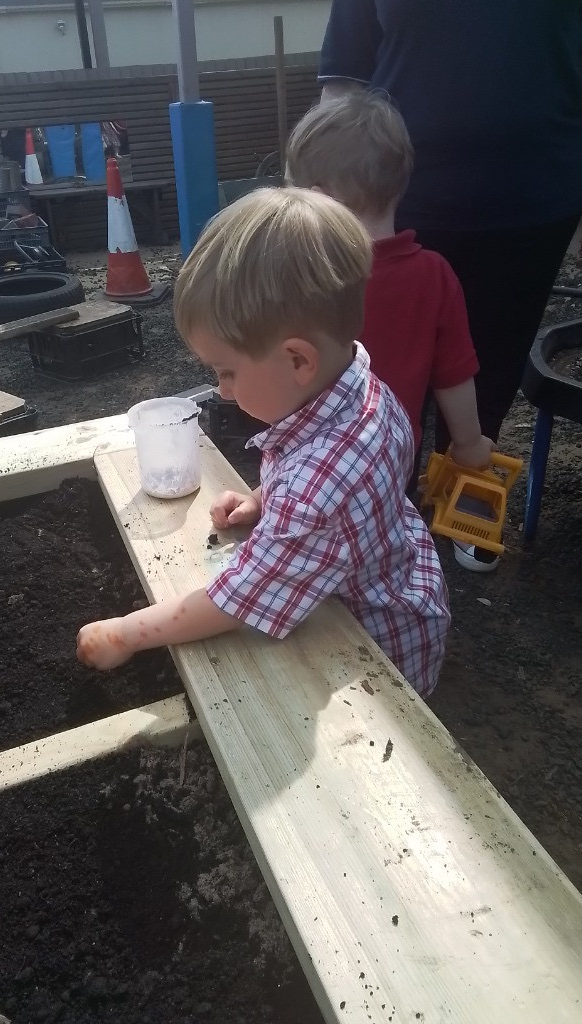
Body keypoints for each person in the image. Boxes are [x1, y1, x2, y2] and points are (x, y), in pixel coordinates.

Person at [77, 188, 450, 697]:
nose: (221, 390)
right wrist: (263, 501)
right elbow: (331, 487)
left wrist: (125, 632)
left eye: (226, 372)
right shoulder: (359, 383)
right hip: (401, 574)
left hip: (373, 656)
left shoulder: (315, 496)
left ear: (298, 361)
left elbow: (235, 601)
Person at [318, 0, 582, 447]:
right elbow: (345, 81)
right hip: (393, 209)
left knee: (487, 386)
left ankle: (459, 499)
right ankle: (382, 502)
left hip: (533, 209)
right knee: (380, 385)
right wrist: (326, 200)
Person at [285, 89, 492, 481]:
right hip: (392, 462)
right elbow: (454, 376)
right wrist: (468, 445)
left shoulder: (301, 274)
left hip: (305, 462)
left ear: (317, 197)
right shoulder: (433, 275)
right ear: (399, 186)